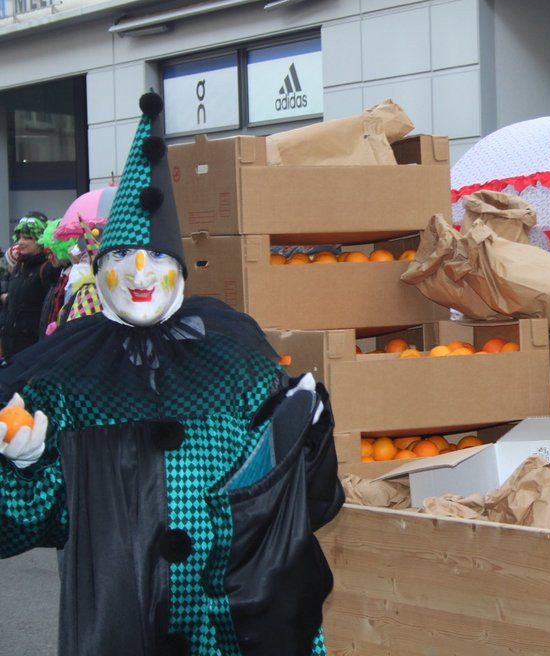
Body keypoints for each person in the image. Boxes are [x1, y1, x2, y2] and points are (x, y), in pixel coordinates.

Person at [0, 92, 344, 656]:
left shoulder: (236, 353)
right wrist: (24, 467)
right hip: (120, 627)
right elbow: (26, 525)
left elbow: (310, 501)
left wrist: (309, 435)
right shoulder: (63, 379)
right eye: (125, 260)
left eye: (158, 258)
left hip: (236, 620)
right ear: (99, 270)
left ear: (180, 271)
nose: (141, 273)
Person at [0, 211, 61, 359]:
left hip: (33, 350)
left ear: (40, 240)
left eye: (27, 237)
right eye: (19, 237)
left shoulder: (48, 269)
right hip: (10, 348)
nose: (20, 242)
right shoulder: (18, 267)